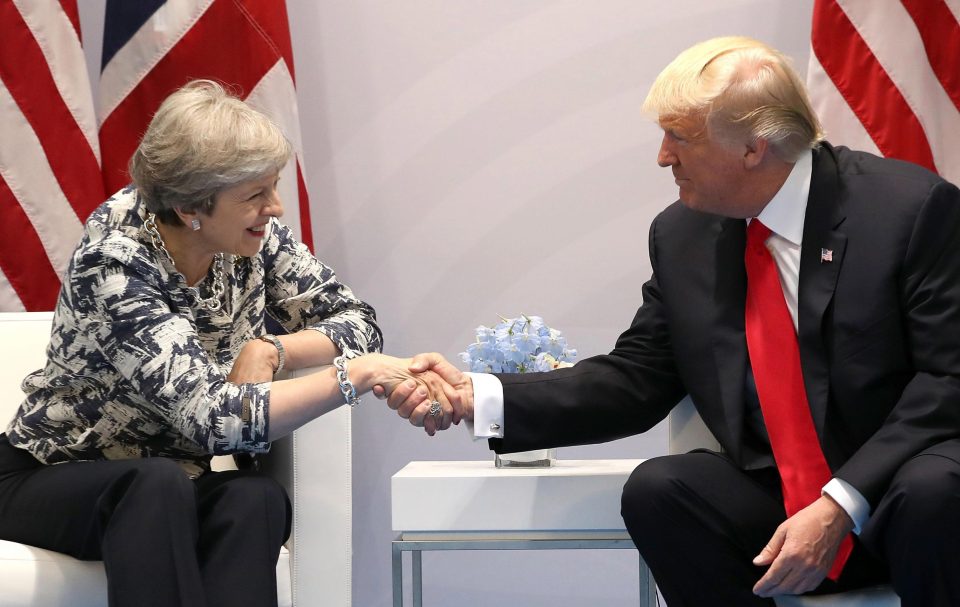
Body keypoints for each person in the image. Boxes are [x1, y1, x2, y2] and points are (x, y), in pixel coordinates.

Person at [386, 37, 960, 606]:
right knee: (661, 491)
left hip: (895, 490)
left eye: (680, 137)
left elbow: (947, 381)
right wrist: (476, 396)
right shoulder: (685, 234)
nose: (663, 156)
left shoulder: (908, 211)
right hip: (779, 496)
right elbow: (636, 377)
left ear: (754, 149)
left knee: (933, 492)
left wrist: (841, 502)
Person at [0, 80, 449, 607]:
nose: (276, 207)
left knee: (254, 498)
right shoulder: (115, 262)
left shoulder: (254, 239)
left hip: (168, 481)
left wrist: (271, 350)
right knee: (154, 486)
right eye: (255, 195)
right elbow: (213, 421)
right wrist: (356, 375)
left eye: (273, 186)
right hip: (51, 477)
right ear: (193, 205)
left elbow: (357, 321)